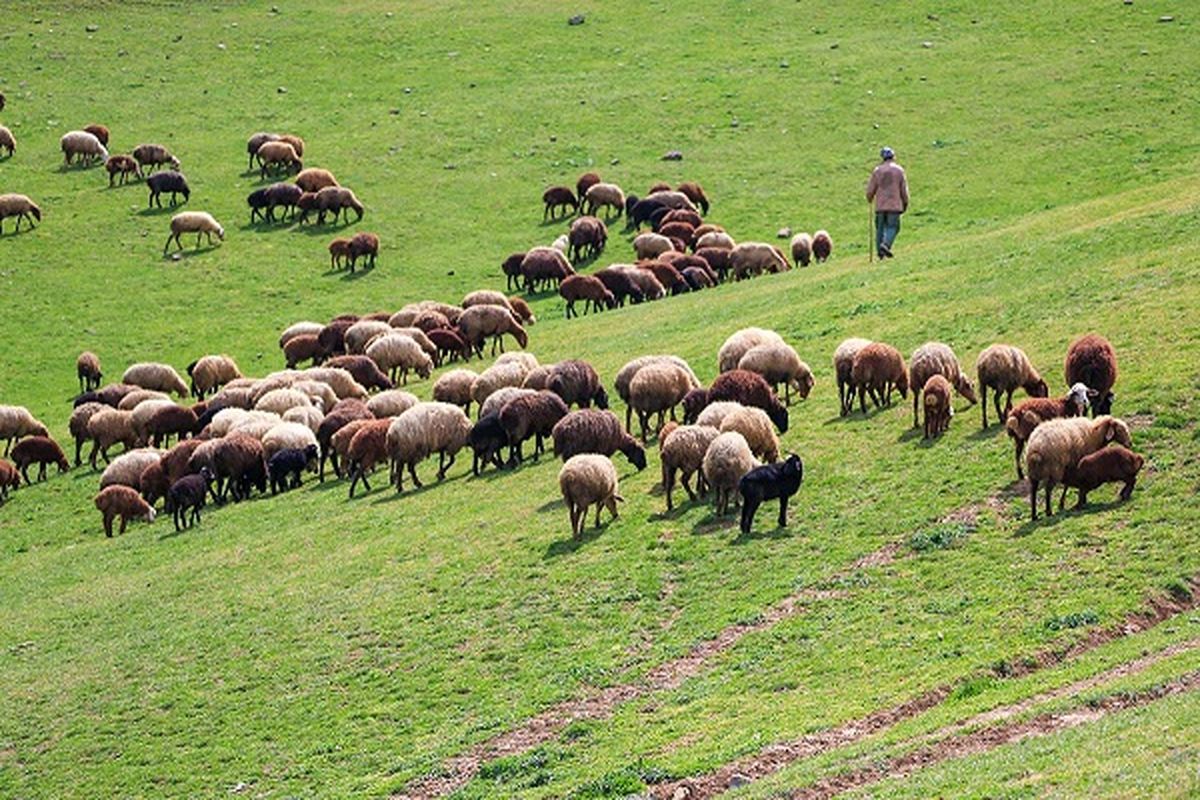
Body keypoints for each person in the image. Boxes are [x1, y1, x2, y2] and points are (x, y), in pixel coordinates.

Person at [865, 146, 909, 259]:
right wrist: (905, 202)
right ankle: (886, 245)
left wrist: (869, 198)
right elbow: (904, 189)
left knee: (880, 229)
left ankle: (880, 254)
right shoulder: (899, 170)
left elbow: (870, 190)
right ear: (893, 157)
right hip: (894, 205)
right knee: (893, 227)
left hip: (880, 206)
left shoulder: (877, 171)